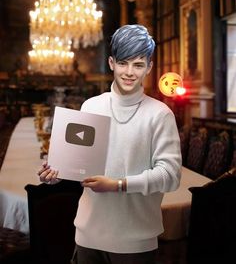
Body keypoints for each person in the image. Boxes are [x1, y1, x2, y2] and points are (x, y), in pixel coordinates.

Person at [38, 24, 182, 264]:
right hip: (87, 234)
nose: (129, 72)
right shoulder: (90, 106)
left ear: (149, 67)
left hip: (135, 240)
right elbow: (78, 164)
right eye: (123, 63)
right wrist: (56, 173)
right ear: (112, 63)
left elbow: (170, 176)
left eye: (138, 65)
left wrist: (118, 185)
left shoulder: (160, 114)